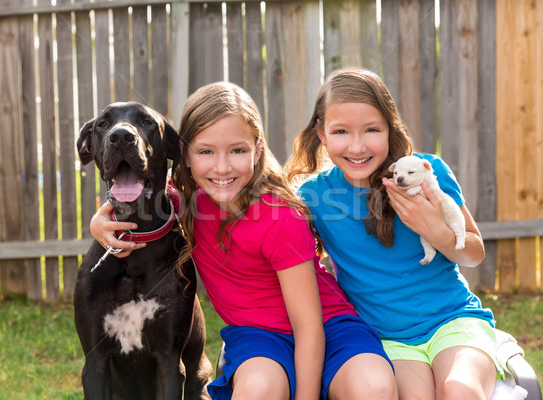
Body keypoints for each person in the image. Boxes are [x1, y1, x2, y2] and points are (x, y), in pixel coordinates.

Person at [90, 82, 397, 400]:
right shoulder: (184, 202)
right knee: (256, 391)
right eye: (206, 151)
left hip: (330, 328)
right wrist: (98, 222)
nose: (222, 167)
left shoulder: (280, 218)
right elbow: (135, 197)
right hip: (259, 337)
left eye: (237, 150)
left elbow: (309, 328)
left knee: (374, 388)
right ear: (186, 156)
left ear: (258, 150)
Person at [286, 67, 503, 400]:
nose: (357, 146)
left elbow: (473, 254)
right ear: (322, 133)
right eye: (341, 131)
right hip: (389, 339)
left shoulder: (426, 173)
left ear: (390, 129)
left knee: (459, 390)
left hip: (454, 321)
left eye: (372, 130)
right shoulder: (315, 197)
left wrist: (435, 229)